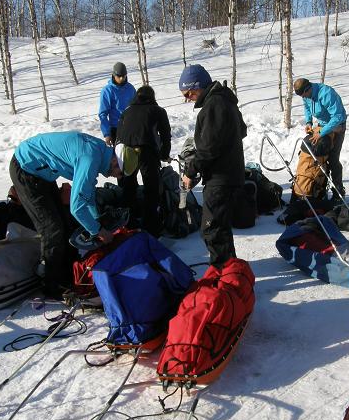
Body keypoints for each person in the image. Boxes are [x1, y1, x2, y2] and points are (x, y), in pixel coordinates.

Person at [9, 131, 123, 298]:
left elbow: (88, 195)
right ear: (114, 160)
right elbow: (77, 208)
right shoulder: (90, 159)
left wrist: (97, 221)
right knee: (52, 228)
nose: (116, 176)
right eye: (119, 172)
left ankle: (70, 273)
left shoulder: (99, 152)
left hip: (42, 172)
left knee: (66, 223)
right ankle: (51, 284)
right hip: (26, 167)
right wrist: (98, 231)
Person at [178, 64, 247, 267]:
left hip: (221, 178)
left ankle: (223, 274)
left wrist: (191, 171)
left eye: (188, 93)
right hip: (228, 174)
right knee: (220, 227)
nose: (188, 98)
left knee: (212, 228)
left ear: (197, 86)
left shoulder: (214, 105)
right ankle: (231, 271)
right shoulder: (224, 100)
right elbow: (240, 131)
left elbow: (208, 148)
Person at [115, 85, 172, 236]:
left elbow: (118, 135)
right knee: (151, 188)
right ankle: (152, 226)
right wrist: (164, 154)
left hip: (125, 151)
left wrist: (117, 160)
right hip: (147, 151)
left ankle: (129, 224)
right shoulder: (157, 110)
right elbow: (166, 135)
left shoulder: (126, 111)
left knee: (128, 187)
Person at [293, 77, 347, 200]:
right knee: (318, 156)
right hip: (322, 126)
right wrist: (308, 122)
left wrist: (322, 132)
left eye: (303, 94)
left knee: (333, 159)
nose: (303, 98)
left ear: (308, 88)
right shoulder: (306, 95)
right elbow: (307, 108)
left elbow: (338, 116)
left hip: (337, 127)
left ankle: (338, 191)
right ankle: (318, 188)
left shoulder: (326, 93)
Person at [98, 62, 136, 146]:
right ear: (114, 75)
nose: (122, 78)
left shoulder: (130, 88)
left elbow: (137, 108)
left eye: (124, 76)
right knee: (120, 157)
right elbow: (103, 114)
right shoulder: (107, 91)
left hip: (131, 128)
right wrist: (107, 134)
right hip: (116, 129)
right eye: (119, 76)